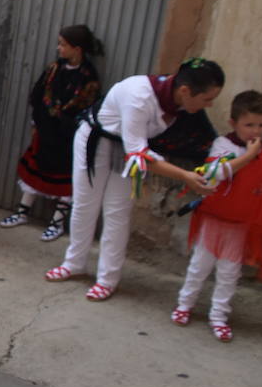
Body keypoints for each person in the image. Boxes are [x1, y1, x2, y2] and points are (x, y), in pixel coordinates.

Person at [46, 58, 224, 301]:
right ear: (185, 91)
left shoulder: (184, 105)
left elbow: (207, 142)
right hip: (97, 142)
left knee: (118, 213)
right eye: (207, 99)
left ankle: (108, 279)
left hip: (128, 148)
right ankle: (74, 263)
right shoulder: (139, 98)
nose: (210, 104)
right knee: (85, 205)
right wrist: (185, 176)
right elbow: (140, 156)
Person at [172, 90, 262, 341]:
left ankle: (218, 316)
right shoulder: (224, 145)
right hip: (214, 219)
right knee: (200, 266)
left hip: (240, 223)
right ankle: (184, 305)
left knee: (230, 272)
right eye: (249, 124)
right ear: (234, 123)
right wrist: (249, 156)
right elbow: (216, 173)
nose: (256, 131)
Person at [3, 24, 104, 240]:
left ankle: (57, 222)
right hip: (45, 130)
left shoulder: (88, 78)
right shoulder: (54, 69)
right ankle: (22, 212)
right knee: (35, 169)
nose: (59, 49)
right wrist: (37, 121)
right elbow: (38, 95)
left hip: (67, 137)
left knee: (65, 179)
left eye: (63, 45)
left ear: (77, 49)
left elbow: (86, 108)